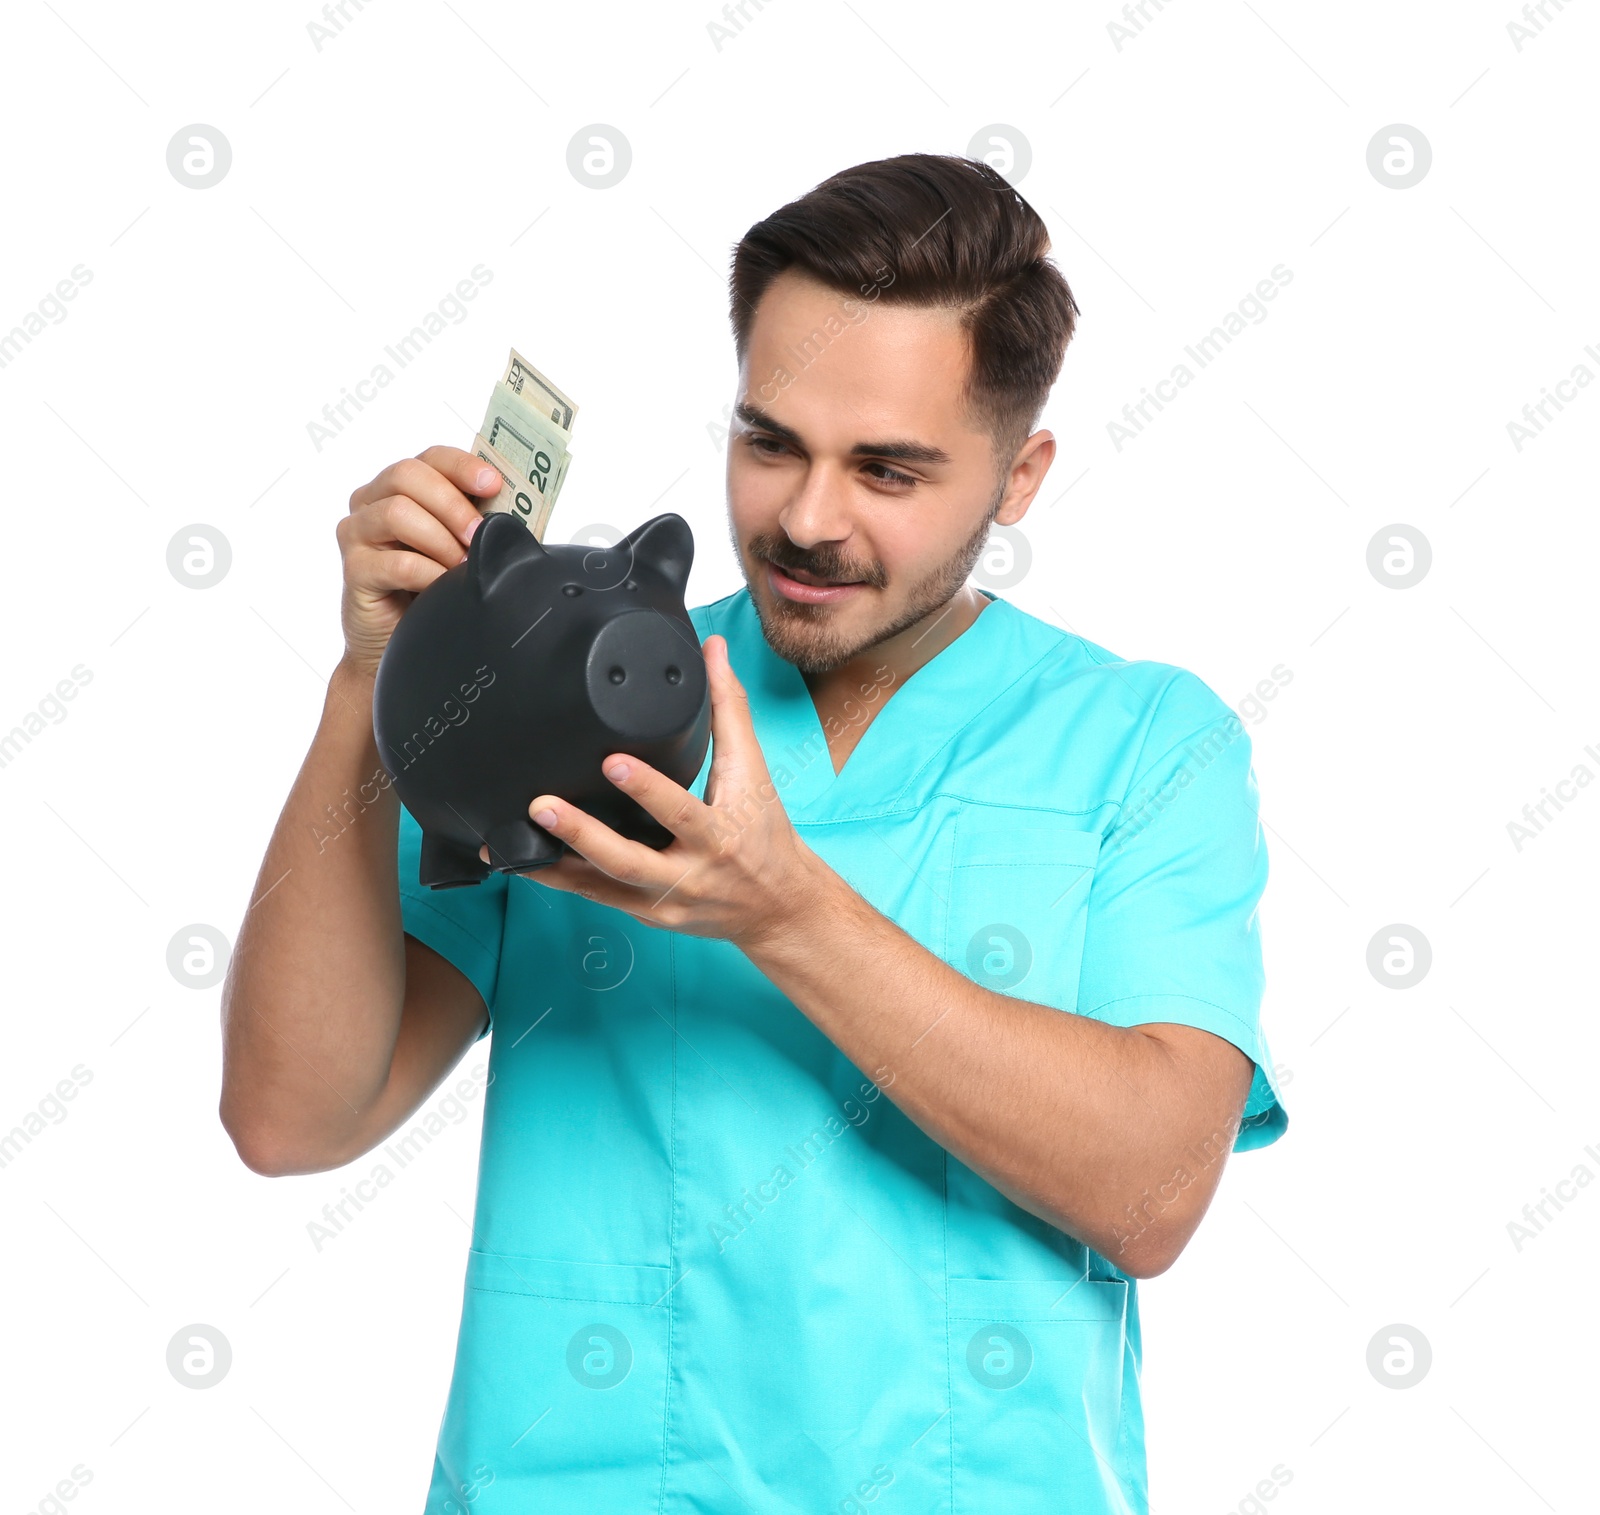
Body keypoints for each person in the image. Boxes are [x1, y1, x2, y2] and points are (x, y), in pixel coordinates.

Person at [221, 152, 1288, 1515]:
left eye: (888, 470)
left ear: (1019, 478)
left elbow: (1152, 1196)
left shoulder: (1147, 744)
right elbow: (292, 1116)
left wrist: (783, 915)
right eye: (770, 441)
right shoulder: (577, 689)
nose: (804, 518)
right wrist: (374, 680)